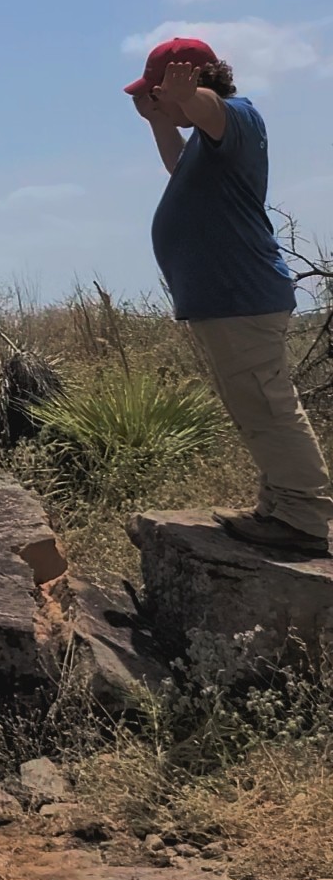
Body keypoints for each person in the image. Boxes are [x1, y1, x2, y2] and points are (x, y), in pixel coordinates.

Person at [129, 36, 333, 553]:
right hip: (229, 299)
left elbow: (210, 107)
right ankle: (279, 506)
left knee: (268, 404)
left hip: (241, 294)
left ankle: (303, 517)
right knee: (255, 406)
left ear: (188, 82)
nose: (155, 101)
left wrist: (187, 96)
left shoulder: (235, 116)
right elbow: (181, 168)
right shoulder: (208, 140)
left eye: (157, 92)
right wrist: (159, 121)